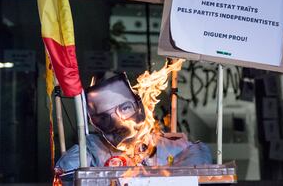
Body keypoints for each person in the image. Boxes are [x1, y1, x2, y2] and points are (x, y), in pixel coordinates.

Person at [55, 73, 212, 173]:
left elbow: (200, 155)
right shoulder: (92, 149)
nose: (120, 120)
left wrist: (172, 174)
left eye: (124, 108)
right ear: (95, 121)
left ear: (139, 107)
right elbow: (66, 172)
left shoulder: (165, 145)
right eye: (104, 116)